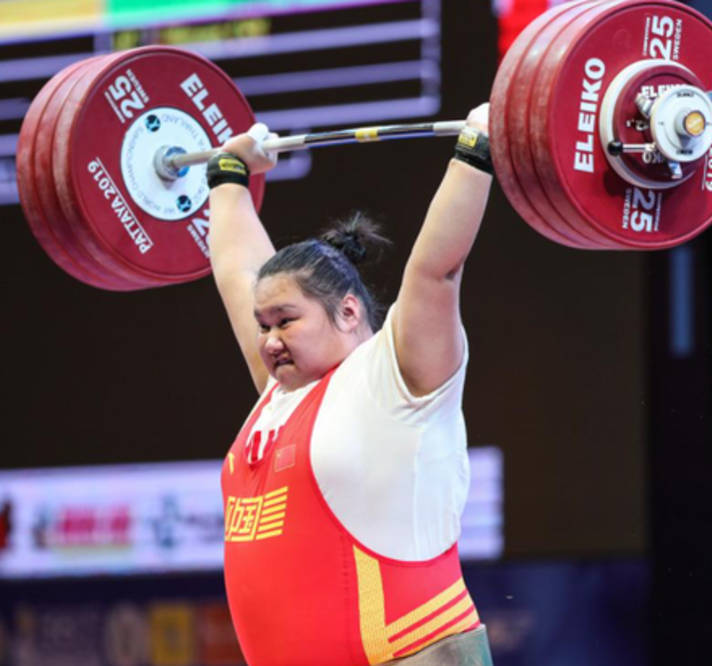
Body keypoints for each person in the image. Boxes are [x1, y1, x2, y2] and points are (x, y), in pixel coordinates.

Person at [206, 103, 495, 666]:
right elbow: (236, 273)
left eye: (285, 322)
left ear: (346, 311)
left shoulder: (398, 378)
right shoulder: (281, 393)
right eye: (263, 325)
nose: (268, 340)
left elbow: (436, 270)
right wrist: (228, 176)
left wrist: (475, 154)